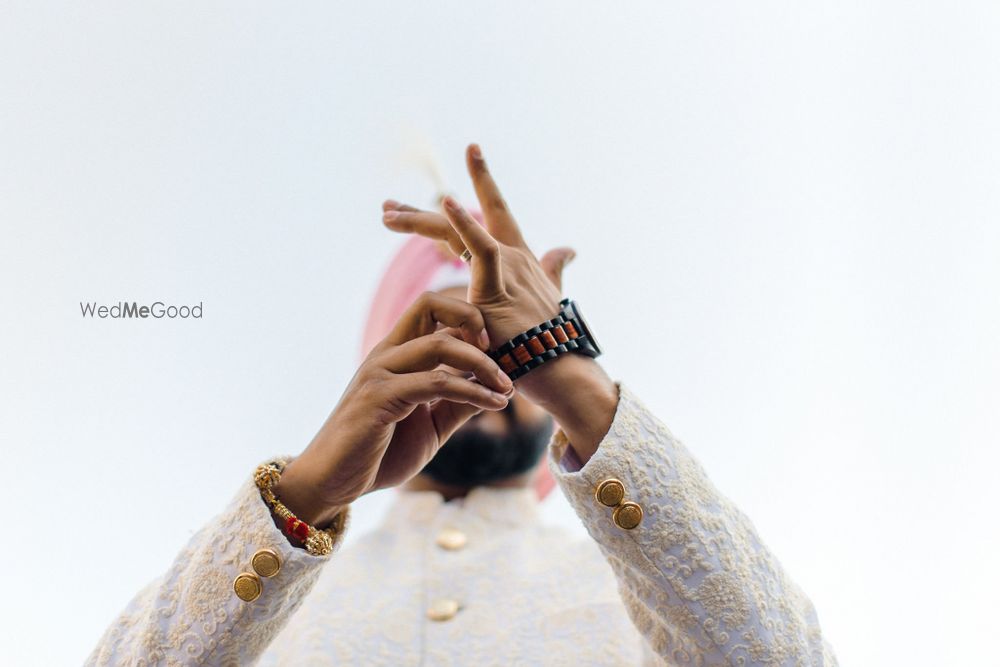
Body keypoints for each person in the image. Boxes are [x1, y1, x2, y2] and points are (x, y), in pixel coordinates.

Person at [87, 145, 837, 666]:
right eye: (446, 335)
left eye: (519, 342)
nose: (487, 356)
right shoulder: (278, 610)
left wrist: (578, 382)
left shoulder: (643, 598)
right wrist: (307, 491)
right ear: (378, 379)